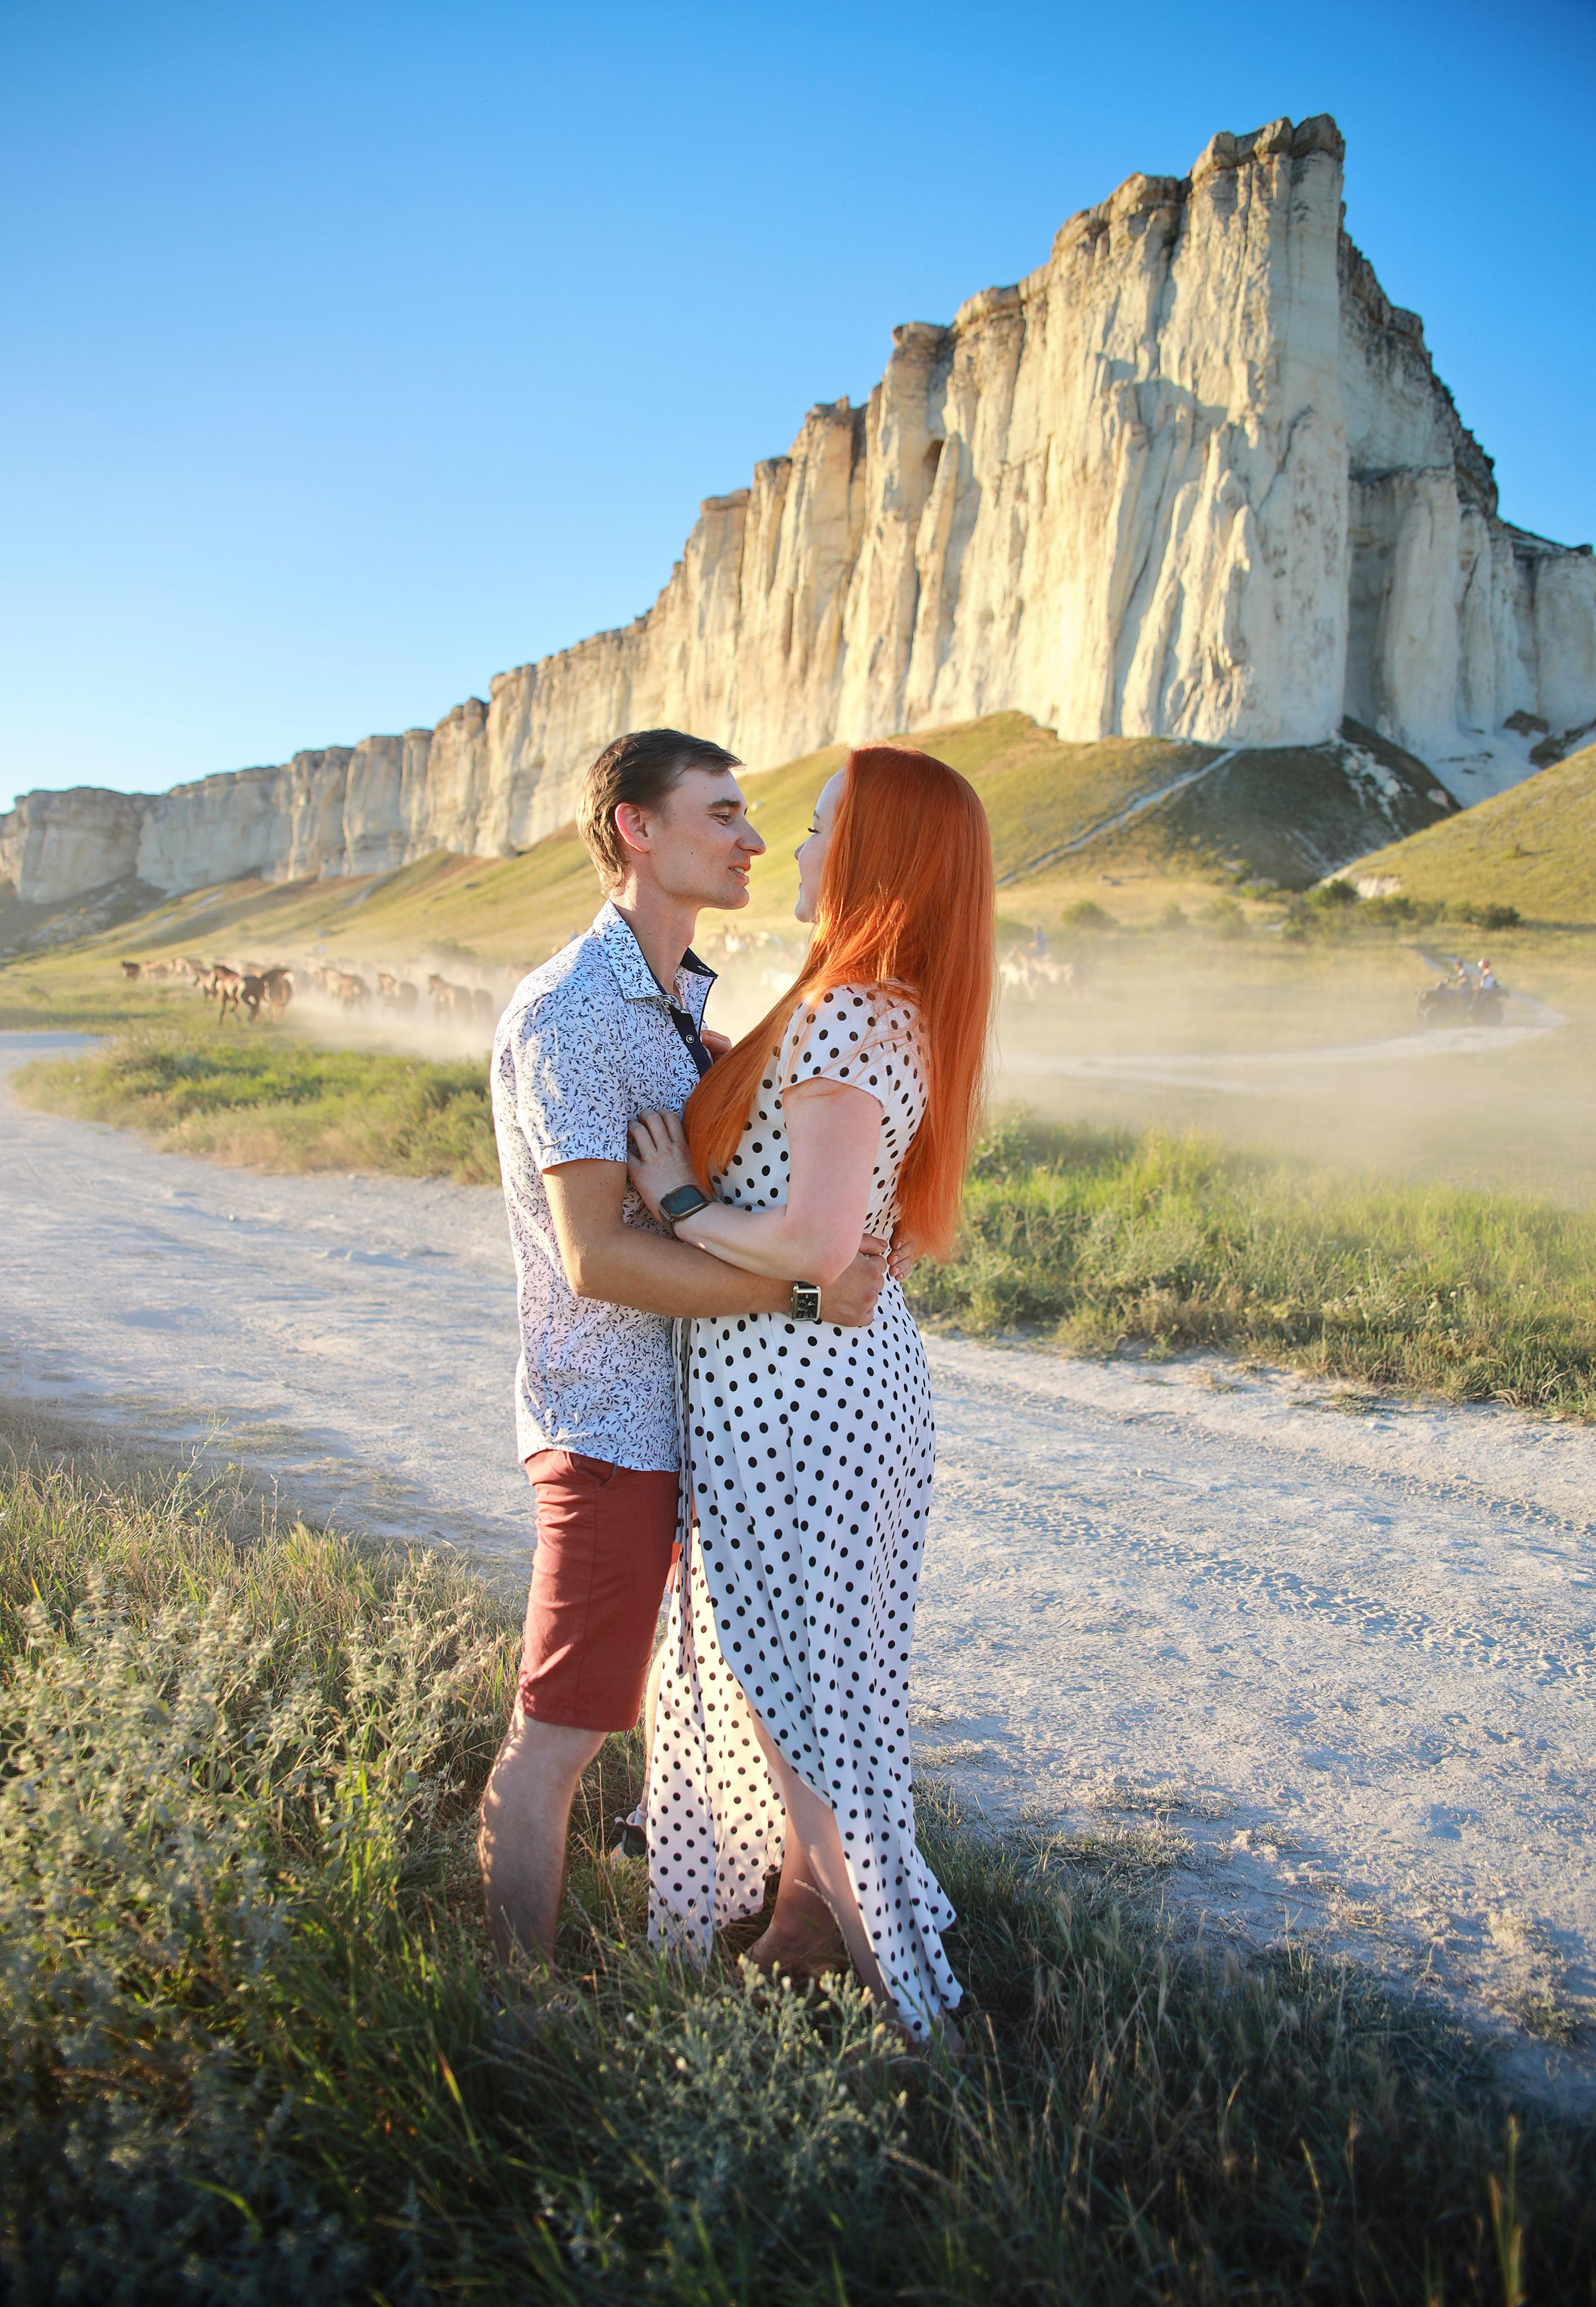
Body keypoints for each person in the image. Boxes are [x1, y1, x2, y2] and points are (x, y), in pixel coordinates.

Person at [478, 728, 894, 1968]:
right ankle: (508, 2010)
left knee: (760, 1708)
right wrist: (803, 1300)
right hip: (611, 1434)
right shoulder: (573, 1013)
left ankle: (793, 1928)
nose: (753, 838)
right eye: (720, 812)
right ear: (636, 832)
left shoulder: (680, 1008)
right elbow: (597, 1258)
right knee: (556, 1735)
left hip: (702, 1433)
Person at [627, 743, 994, 2045]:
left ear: (874, 854)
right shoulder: (876, 1006)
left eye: (823, 824)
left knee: (793, 1697)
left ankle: (920, 2020)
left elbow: (814, 1245)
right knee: (823, 1687)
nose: (790, 843)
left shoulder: (853, 1012)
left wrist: (679, 1199)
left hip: (798, 1405)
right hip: (832, 1394)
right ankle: (804, 1922)